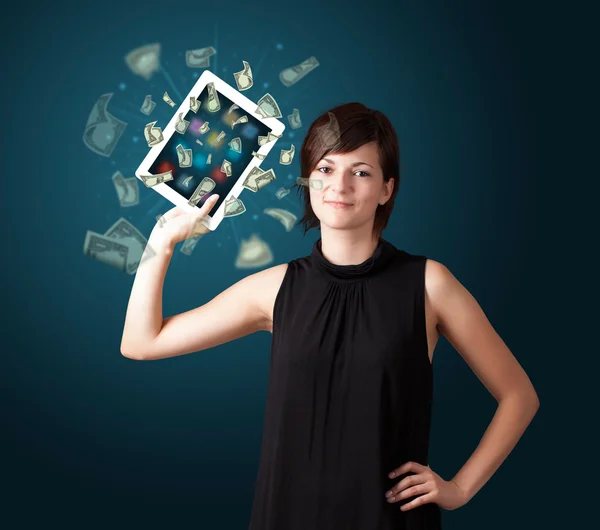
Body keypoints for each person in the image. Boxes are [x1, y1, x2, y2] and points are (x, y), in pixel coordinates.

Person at [121, 102, 540, 529]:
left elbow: (519, 396)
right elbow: (141, 342)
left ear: (386, 189)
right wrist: (161, 243)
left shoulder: (430, 284)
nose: (338, 185)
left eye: (360, 171)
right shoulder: (273, 288)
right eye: (325, 168)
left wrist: (459, 489)